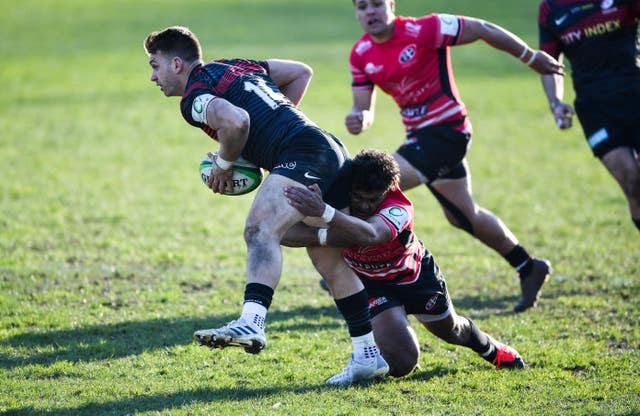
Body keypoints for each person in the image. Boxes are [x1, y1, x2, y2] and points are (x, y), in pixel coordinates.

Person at [143, 26, 389, 385]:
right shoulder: (237, 66)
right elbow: (300, 72)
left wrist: (224, 164)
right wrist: (271, 132)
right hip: (327, 147)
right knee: (327, 257)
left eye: (155, 66)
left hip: (303, 153)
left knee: (259, 230)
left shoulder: (194, 96)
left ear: (176, 64)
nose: (153, 76)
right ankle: (367, 353)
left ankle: (252, 322)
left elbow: (236, 121)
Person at [344, 0, 564, 313]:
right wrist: (360, 118)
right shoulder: (361, 53)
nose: (370, 12)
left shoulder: (426, 29)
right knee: (463, 215)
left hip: (447, 132)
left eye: (377, 3)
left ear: (391, 5)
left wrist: (530, 57)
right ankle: (528, 267)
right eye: (362, 6)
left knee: (366, 187)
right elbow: (363, 106)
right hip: (420, 139)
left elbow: (482, 28)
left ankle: (358, 275)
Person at [282, 149, 525, 376]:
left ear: (388, 191)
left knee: (453, 331)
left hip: (416, 278)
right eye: (358, 197)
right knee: (402, 362)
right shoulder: (338, 197)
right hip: (372, 285)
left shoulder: (398, 208)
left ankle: (489, 349)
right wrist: (321, 232)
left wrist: (324, 214)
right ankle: (371, 356)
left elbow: (371, 234)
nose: (365, 206)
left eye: (373, 200)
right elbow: (284, 233)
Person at [538, 0, 640, 232]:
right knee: (631, 180)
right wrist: (555, 102)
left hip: (635, 95)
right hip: (595, 109)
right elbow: (549, 62)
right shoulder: (551, 8)